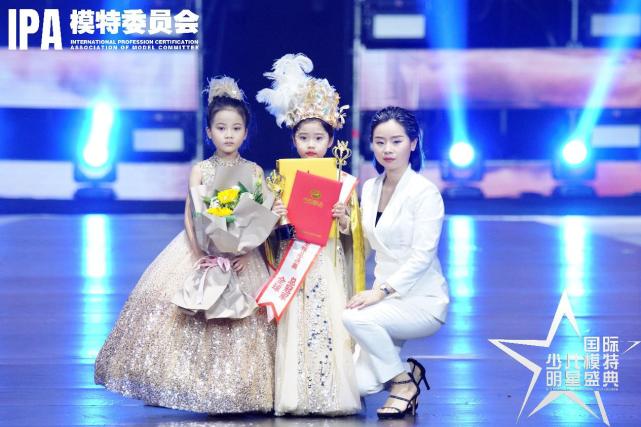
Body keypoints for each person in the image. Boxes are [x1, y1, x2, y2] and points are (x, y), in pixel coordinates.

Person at [94, 77, 276, 414]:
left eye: (236, 128)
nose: (229, 135)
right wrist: (201, 253)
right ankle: (194, 385)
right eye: (221, 128)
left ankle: (241, 387)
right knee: (194, 312)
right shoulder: (200, 170)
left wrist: (247, 250)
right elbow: (192, 214)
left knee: (241, 319)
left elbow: (260, 215)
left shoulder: (253, 172)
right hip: (202, 253)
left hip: (242, 258)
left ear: (245, 133)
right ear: (209, 132)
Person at [256, 53, 362, 416]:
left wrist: (343, 218)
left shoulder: (342, 179)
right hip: (294, 262)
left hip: (327, 260)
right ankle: (294, 396)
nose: (311, 144)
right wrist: (277, 217)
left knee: (328, 322)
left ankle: (332, 395)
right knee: (297, 324)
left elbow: (353, 233)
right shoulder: (280, 178)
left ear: (331, 140)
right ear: (294, 139)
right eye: (304, 137)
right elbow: (271, 234)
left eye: (318, 137)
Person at [342, 106, 450, 419]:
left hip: (420, 301)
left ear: (413, 143)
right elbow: (367, 244)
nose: (387, 149)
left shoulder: (425, 192)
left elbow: (422, 256)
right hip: (386, 304)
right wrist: (348, 226)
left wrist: (382, 291)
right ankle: (409, 371)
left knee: (353, 317)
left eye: (396, 141)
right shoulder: (370, 188)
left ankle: (402, 385)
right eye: (380, 142)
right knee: (356, 387)